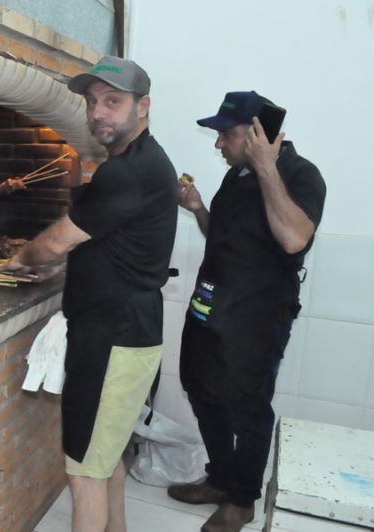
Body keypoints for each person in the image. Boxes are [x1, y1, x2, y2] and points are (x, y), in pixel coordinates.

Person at [2, 55, 178, 532]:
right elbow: (109, 243)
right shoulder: (142, 162)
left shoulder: (129, 171)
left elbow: (56, 240)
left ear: (143, 106)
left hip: (112, 342)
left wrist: (24, 257)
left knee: (84, 475)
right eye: (92, 102)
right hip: (129, 335)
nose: (98, 112)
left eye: (112, 102)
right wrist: (63, 266)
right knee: (106, 460)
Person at [169, 91, 326, 532]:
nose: (219, 143)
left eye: (228, 134)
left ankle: (242, 500)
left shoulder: (301, 174)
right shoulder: (235, 175)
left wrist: (266, 168)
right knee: (201, 390)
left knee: (248, 407)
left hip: (257, 316)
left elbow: (294, 239)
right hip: (212, 306)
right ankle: (220, 480)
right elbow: (223, 235)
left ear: (260, 134)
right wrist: (199, 209)